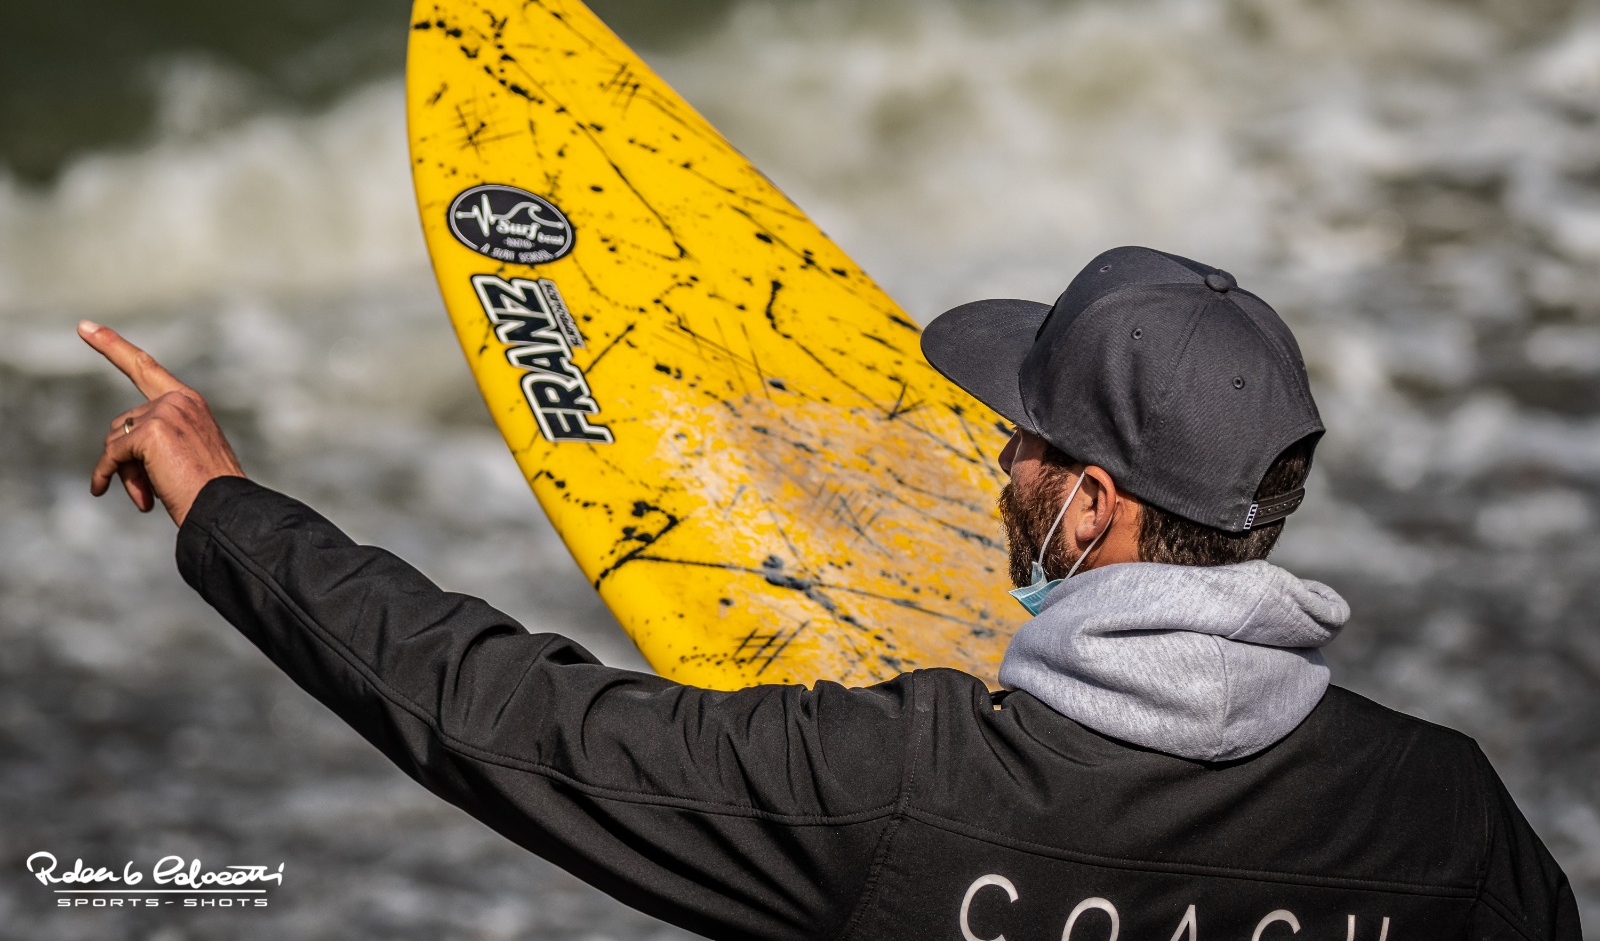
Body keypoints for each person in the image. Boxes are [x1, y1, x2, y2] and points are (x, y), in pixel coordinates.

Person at [81, 246, 1578, 940]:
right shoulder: (1448, 819)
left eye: (1028, 443)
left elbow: (507, 719)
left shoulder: (907, 794)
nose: (1001, 461)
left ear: (1095, 505)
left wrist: (228, 507)